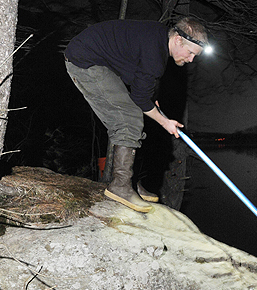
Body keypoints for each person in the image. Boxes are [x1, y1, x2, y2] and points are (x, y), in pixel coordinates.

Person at [64, 17, 209, 212]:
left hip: (99, 61)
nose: (191, 59)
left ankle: (128, 182)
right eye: (190, 53)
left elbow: (140, 83)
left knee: (136, 114)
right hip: (85, 61)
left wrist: (150, 101)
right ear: (178, 40)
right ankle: (120, 186)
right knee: (128, 118)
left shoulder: (157, 38)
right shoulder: (155, 55)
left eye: (195, 56)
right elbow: (139, 98)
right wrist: (165, 122)